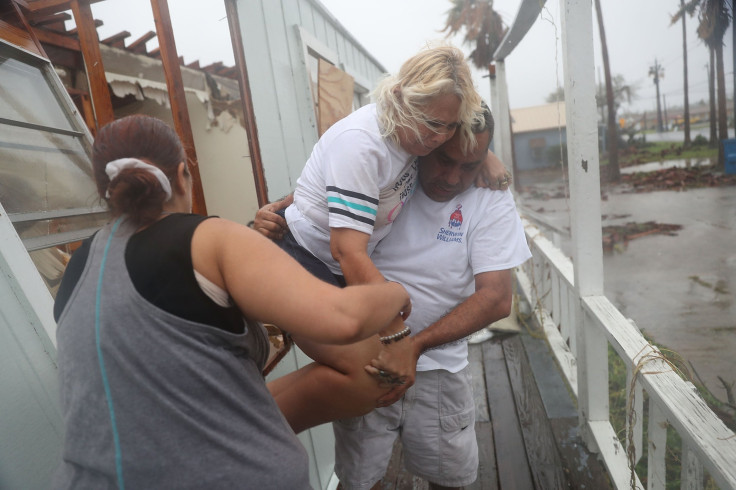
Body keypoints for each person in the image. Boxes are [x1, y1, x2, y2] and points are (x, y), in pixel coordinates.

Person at [51, 115, 410, 489]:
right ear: (181, 174)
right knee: (369, 371)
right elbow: (343, 319)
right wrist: (395, 292)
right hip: (232, 478)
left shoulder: (78, 265)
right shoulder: (208, 239)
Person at [256, 44, 511, 433]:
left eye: (447, 126)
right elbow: (346, 249)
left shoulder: (412, 136)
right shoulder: (365, 144)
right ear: (397, 96)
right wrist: (397, 334)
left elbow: (457, 134)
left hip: (331, 272)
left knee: (376, 378)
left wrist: (484, 156)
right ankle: (248, 428)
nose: (437, 136)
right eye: (431, 123)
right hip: (301, 265)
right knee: (369, 377)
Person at [333, 104, 531, 490]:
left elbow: (496, 298)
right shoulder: (390, 174)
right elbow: (336, 188)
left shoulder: (490, 198)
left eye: (470, 165)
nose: (453, 177)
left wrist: (416, 345)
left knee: (451, 480)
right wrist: (284, 207)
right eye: (444, 159)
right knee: (357, 482)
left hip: (441, 369)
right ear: (428, 143)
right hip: (366, 360)